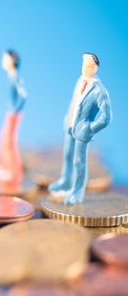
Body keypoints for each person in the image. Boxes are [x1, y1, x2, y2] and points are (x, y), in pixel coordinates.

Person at [49, 53, 112, 204]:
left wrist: (90, 128)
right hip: (70, 124)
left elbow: (106, 117)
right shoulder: (80, 80)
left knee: (79, 161)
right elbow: (75, 102)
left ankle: (77, 192)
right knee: (67, 154)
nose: (84, 68)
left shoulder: (99, 91)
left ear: (95, 68)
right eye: (83, 64)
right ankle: (65, 181)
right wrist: (68, 117)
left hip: (82, 130)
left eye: (88, 66)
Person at [0, 50, 27, 188]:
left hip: (13, 114)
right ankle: (6, 167)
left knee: (8, 141)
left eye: (4, 58)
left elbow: (23, 96)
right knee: (4, 139)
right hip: (11, 113)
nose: (2, 61)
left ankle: (13, 171)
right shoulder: (11, 76)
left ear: (12, 61)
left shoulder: (15, 77)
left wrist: (14, 111)